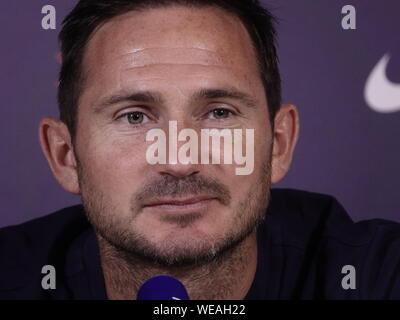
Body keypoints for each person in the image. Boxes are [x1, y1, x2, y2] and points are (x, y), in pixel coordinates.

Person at [1, 0, 399, 300]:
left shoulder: (376, 274)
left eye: (219, 113)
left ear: (278, 144)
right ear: (65, 156)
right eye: (135, 118)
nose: (179, 161)